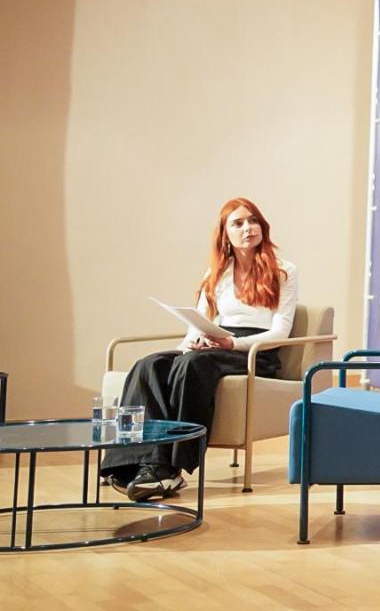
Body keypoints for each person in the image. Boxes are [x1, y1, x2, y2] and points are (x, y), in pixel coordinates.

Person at [100, 197, 300, 501]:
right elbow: (199, 321)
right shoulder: (217, 273)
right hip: (215, 345)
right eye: (238, 223)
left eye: (253, 220)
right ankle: (130, 463)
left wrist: (230, 343)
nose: (248, 228)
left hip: (256, 351)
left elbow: (280, 331)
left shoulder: (284, 270)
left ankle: (171, 468)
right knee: (149, 364)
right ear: (225, 234)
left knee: (193, 365)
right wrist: (187, 345)